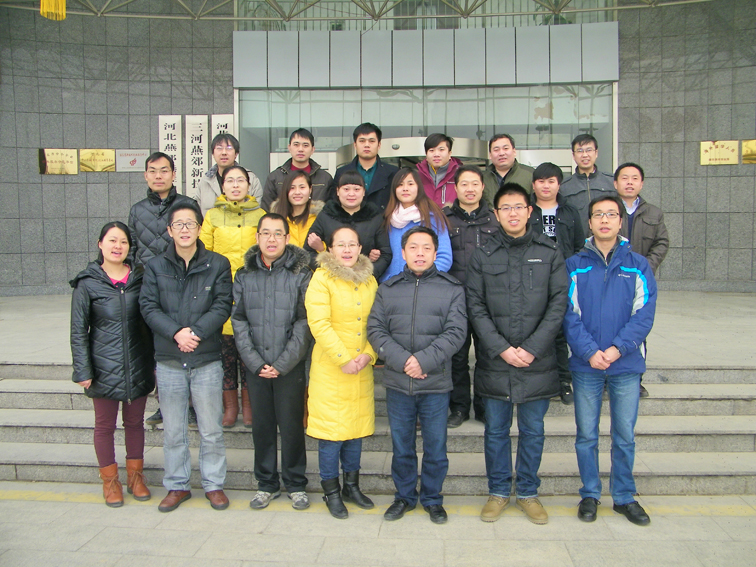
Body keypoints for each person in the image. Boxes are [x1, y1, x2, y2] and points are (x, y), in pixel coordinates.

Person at [466, 182, 568, 525]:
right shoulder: (483, 255)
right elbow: (475, 306)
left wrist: (533, 348)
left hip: (538, 362)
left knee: (533, 430)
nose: (513, 213)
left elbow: (558, 304)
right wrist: (502, 349)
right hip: (496, 362)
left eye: (518, 207)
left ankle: (527, 493)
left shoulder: (549, 252)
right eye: (505, 208)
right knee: (495, 431)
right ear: (496, 214)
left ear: (529, 211)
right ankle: (497, 492)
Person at [564, 195, 657, 527]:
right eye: (598, 215)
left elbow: (644, 315)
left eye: (611, 214)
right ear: (589, 223)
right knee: (586, 435)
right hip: (586, 364)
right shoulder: (574, 265)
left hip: (625, 365)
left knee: (624, 435)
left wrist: (618, 349)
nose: (604, 220)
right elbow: (568, 314)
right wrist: (590, 351)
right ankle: (590, 493)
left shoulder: (638, 265)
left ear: (621, 221)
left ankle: (624, 496)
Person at [367, 227, 467, 525]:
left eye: (426, 248)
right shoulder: (388, 288)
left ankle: (433, 499)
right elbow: (375, 330)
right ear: (403, 252)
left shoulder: (452, 288)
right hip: (398, 383)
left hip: (435, 383)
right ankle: (404, 497)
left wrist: (423, 361)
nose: (420, 253)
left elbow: (456, 332)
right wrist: (403, 361)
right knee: (402, 447)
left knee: (436, 448)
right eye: (413, 247)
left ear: (436, 253)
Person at [139, 200, 233, 513]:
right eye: (178, 224)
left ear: (199, 228)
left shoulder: (218, 264)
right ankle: (177, 485)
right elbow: (148, 306)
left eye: (189, 223)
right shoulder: (155, 266)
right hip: (169, 358)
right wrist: (176, 333)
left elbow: (222, 305)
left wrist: (195, 333)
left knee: (211, 429)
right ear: (169, 230)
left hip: (206, 358)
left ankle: (213, 484)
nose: (184, 229)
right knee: (174, 430)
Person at [232, 213, 313, 511]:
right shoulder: (244, 274)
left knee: (291, 426)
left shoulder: (301, 274)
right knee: (262, 426)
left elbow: (305, 322)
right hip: (257, 365)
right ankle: (266, 483)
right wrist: (255, 362)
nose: (271, 239)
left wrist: (283, 362)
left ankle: (295, 483)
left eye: (278, 233)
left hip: (289, 365)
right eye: (266, 233)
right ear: (257, 237)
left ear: (287, 238)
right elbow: (239, 320)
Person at [70, 221, 154, 508]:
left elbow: (150, 320)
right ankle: (110, 482)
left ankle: (135, 478)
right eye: (112, 240)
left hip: (138, 361)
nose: (118, 246)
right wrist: (83, 369)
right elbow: (78, 330)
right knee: (104, 426)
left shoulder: (140, 278)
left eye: (123, 242)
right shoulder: (87, 283)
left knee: (135, 423)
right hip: (102, 366)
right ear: (100, 244)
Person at [305, 226, 379, 519]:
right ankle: (331, 492)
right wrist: (343, 359)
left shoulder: (370, 280)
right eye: (340, 244)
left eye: (352, 244)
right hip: (332, 369)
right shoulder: (322, 278)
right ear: (331, 249)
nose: (347, 250)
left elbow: (378, 322)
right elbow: (319, 323)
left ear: (360, 248)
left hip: (361, 367)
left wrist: (369, 354)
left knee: (355, 431)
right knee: (331, 434)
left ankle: (351, 486)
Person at [128, 152, 196, 428]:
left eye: (164, 170)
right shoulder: (137, 210)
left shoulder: (187, 205)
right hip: (151, 287)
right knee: (159, 348)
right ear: (146, 175)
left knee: (187, 344)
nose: (159, 176)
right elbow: (132, 249)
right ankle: (163, 403)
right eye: (153, 171)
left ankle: (191, 405)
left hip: (184, 285)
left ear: (173, 174)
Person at [199, 165, 265, 428]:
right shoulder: (212, 216)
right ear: (222, 186)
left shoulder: (260, 214)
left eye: (240, 181)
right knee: (225, 353)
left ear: (249, 185)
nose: (235, 185)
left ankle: (249, 405)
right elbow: (204, 252)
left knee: (249, 352)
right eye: (230, 181)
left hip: (252, 292)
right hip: (222, 291)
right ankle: (230, 407)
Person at [442, 165, 500, 427]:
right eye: (464, 184)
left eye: (475, 184)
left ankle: (485, 407)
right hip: (456, 300)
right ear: (456, 188)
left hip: (489, 300)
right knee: (457, 357)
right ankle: (459, 407)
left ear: (482, 187)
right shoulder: (444, 219)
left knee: (488, 356)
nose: (470, 189)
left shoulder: (495, 220)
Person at [528, 162, 585, 405]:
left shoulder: (570, 212)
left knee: (561, 332)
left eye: (551, 181)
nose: (546, 186)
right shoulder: (526, 211)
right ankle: (536, 381)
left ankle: (564, 381)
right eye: (541, 181)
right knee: (535, 330)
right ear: (533, 185)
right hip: (533, 280)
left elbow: (579, 245)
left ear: (559, 184)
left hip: (564, 279)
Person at [615, 162, 669, 398]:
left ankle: (635, 379)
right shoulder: (606, 209)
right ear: (615, 183)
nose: (629, 182)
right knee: (608, 325)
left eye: (634, 178)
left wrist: (647, 266)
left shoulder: (654, 213)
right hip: (611, 278)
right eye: (624, 178)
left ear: (641, 183)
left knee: (638, 328)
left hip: (640, 280)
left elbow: (662, 242)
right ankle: (607, 377)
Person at [304, 171, 392, 279]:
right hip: (331, 280)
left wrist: (368, 273)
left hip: (364, 281)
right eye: (346, 189)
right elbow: (307, 251)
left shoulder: (374, 217)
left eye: (356, 189)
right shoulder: (326, 215)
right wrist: (328, 271)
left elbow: (385, 254)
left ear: (364, 192)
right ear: (337, 191)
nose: (351, 194)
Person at [380, 167, 452, 282]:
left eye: (410, 184)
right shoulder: (387, 219)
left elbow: (444, 257)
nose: (405, 189)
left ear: (419, 187)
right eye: (400, 185)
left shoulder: (432, 217)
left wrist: (421, 280)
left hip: (425, 285)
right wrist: (388, 280)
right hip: (392, 285)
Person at [329, 123, 399, 210]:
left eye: (371, 141)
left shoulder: (393, 172)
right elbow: (334, 204)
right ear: (355, 145)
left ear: (379, 145)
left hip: (382, 218)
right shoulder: (342, 172)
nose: (367, 145)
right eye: (362, 141)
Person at [262, 128, 333, 211]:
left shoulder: (325, 178)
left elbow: (331, 210)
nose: (300, 149)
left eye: (305, 145)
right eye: (296, 145)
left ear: (312, 149)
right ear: (289, 147)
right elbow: (267, 209)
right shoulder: (275, 177)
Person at [192, 133, 263, 215]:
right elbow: (197, 212)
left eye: (229, 148)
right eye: (219, 148)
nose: (224, 152)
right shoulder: (205, 181)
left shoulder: (251, 179)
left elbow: (257, 211)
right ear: (213, 154)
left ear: (236, 154)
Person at [560, 134, 616, 234]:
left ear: (596, 153)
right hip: (578, 241)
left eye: (589, 150)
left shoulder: (611, 181)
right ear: (573, 155)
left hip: (607, 238)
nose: (585, 155)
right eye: (580, 151)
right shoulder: (564, 186)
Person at [271, 170, 325, 248]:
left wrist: (321, 248)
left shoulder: (320, 218)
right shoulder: (274, 219)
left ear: (310, 189)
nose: (297, 192)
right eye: (292, 188)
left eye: (302, 187)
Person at [482, 134, 534, 206]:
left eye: (505, 148)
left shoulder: (530, 174)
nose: (501, 153)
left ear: (514, 151)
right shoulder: (482, 178)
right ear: (490, 155)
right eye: (496, 150)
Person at [416, 133, 462, 208]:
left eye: (441, 150)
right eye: (431, 150)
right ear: (426, 154)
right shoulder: (417, 177)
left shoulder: (461, 175)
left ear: (449, 153)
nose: (436, 154)